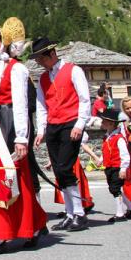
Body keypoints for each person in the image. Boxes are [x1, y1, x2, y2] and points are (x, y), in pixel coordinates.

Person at [0, 21, 48, 256]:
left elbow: (21, 105)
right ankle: (32, 225)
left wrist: (22, 138)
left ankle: (1, 234)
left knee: (10, 179)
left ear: (4, 43)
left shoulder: (17, 69)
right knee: (1, 177)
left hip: (10, 124)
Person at [30, 37, 91, 232]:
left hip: (70, 124)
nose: (39, 62)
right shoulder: (43, 79)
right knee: (58, 170)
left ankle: (79, 213)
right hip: (54, 126)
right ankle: (70, 213)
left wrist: (80, 124)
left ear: (52, 54)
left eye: (41, 58)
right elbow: (41, 105)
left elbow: (84, 98)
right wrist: (42, 130)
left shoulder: (73, 70)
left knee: (65, 168)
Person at [97, 108, 131, 222]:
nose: (102, 123)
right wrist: (101, 159)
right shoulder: (108, 137)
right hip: (109, 167)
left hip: (116, 166)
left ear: (111, 123)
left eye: (104, 121)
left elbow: (125, 155)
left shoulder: (119, 138)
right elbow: (106, 150)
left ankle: (120, 213)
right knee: (115, 189)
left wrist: (123, 169)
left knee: (115, 189)